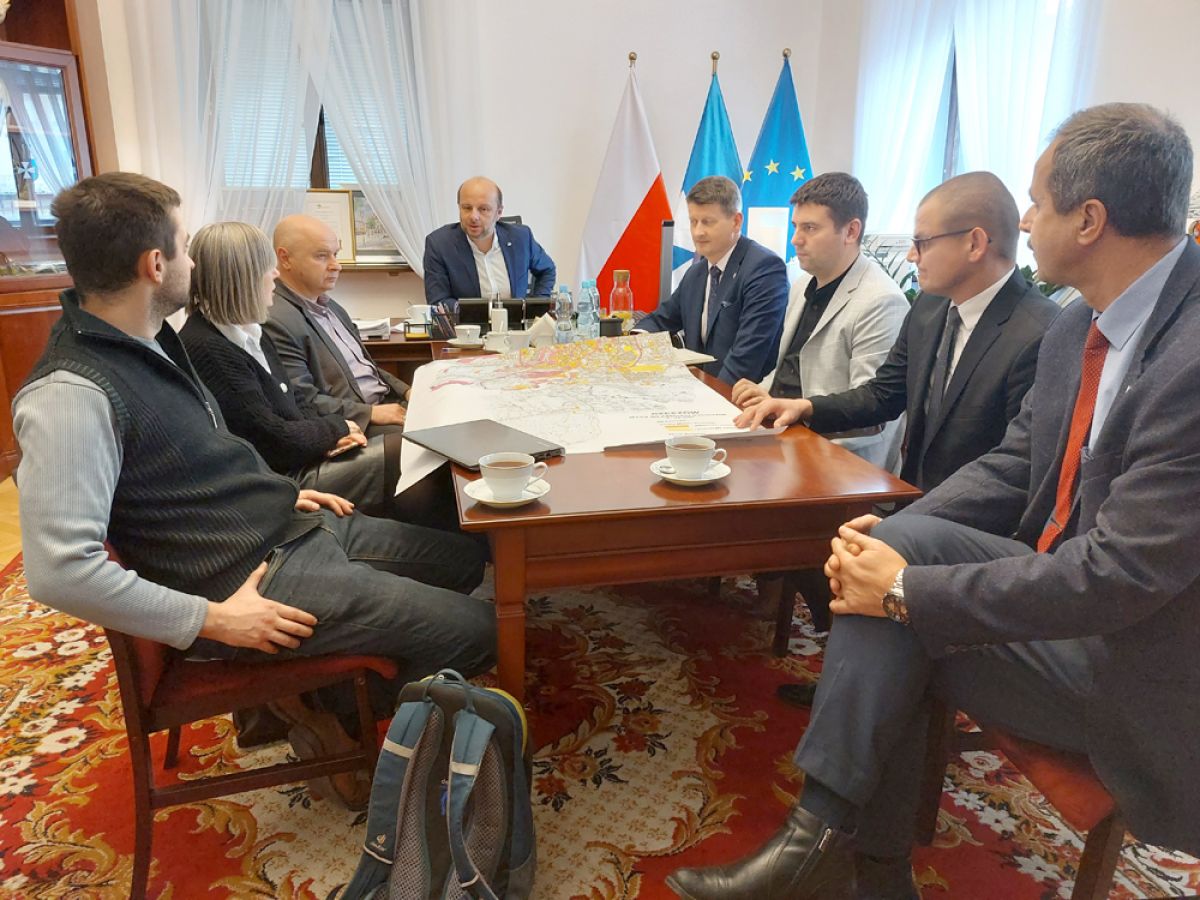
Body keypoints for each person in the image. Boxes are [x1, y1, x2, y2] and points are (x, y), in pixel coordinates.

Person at [667, 102, 1200, 899]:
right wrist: (893, 539)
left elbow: (1119, 576)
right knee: (891, 565)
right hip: (1056, 593)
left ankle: (841, 857)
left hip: (1139, 663)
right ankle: (853, 863)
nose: (1026, 220)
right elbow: (1016, 464)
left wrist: (906, 588)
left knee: (899, 611)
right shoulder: (1077, 328)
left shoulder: (1188, 358)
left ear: (1089, 220)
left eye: (1037, 203)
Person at [14, 173, 496, 809]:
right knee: (482, 629)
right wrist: (212, 620)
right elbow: (59, 571)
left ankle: (312, 695)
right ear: (155, 265)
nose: (194, 263)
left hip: (282, 527)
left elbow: (202, 457)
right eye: (185, 248)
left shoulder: (150, 341)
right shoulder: (70, 394)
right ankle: (334, 715)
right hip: (247, 584)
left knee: (469, 558)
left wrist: (278, 492)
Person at [739, 173, 1060, 671]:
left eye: (922, 243)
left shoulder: (1042, 331)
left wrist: (913, 522)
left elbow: (1019, 466)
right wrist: (806, 407)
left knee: (857, 556)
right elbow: (884, 395)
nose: (911, 256)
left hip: (981, 525)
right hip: (917, 499)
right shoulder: (929, 308)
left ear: (975, 243)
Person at [179, 221, 409, 522]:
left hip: (304, 454)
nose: (275, 275)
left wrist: (328, 434)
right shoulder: (209, 347)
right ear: (242, 277)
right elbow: (273, 440)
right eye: (267, 267)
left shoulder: (249, 331)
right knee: (408, 449)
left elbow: (293, 406)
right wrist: (335, 430)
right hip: (283, 481)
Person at [731, 172, 909, 472]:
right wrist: (765, 392)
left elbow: (871, 410)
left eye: (810, 228)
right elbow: (793, 366)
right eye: (796, 226)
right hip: (787, 436)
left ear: (851, 231)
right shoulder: (802, 283)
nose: (795, 240)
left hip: (841, 460)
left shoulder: (882, 301)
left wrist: (797, 411)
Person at [264, 214, 409, 436]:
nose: (336, 266)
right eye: (322, 256)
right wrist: (371, 413)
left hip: (383, 405)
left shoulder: (331, 307)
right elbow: (301, 400)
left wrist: (407, 391)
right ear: (285, 258)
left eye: (336, 254)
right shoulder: (276, 320)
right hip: (353, 424)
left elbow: (365, 367)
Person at [638, 175, 788, 384]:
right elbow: (661, 320)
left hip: (741, 395)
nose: (698, 232)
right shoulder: (696, 273)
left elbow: (745, 360)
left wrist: (709, 397)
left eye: (708, 222)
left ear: (736, 222)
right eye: (693, 221)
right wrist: (635, 340)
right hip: (700, 390)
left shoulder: (764, 268)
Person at [422, 176, 556, 303]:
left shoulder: (520, 238)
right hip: (468, 320)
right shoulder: (439, 245)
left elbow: (547, 270)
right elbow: (439, 300)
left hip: (515, 320)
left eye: (483, 209)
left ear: (499, 212)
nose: (474, 216)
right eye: (467, 208)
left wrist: (535, 307)